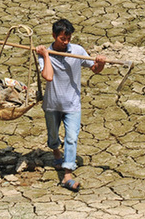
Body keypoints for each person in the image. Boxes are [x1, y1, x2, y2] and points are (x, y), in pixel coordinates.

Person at [36, 19, 106, 192]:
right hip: (52, 104)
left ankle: (67, 174)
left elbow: (95, 69)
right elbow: (48, 76)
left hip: (72, 104)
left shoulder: (78, 51)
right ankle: (56, 153)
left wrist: (101, 63)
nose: (66, 42)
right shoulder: (43, 53)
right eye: (62, 38)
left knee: (71, 138)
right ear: (54, 36)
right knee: (53, 137)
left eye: (68, 38)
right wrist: (46, 55)